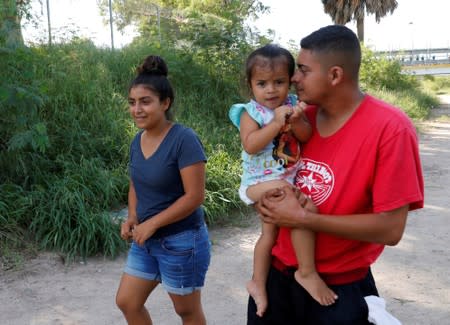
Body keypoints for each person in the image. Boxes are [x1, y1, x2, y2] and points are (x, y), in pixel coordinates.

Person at [248, 25, 424, 324]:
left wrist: (304, 219)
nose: (294, 78)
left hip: (336, 288)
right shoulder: (300, 118)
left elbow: (391, 229)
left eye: (303, 69)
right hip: (276, 280)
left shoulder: (390, 128)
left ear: (335, 75)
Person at [229, 44, 337, 318]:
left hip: (284, 180)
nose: (271, 90)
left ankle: (258, 284)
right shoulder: (249, 112)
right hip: (257, 182)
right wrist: (276, 125)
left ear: (290, 81)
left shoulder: (291, 106)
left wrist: (297, 120)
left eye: (279, 82)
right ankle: (307, 271)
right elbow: (251, 145)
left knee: (269, 235)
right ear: (250, 84)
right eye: (262, 83)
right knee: (299, 207)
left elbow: (305, 137)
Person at [116, 55, 211, 325]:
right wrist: (133, 216)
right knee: (127, 302)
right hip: (146, 240)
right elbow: (136, 183)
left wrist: (153, 223)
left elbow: (195, 196)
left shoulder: (184, 139)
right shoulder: (138, 140)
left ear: (165, 103)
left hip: (182, 242)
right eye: (132, 103)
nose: (137, 109)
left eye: (145, 102)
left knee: (186, 311)